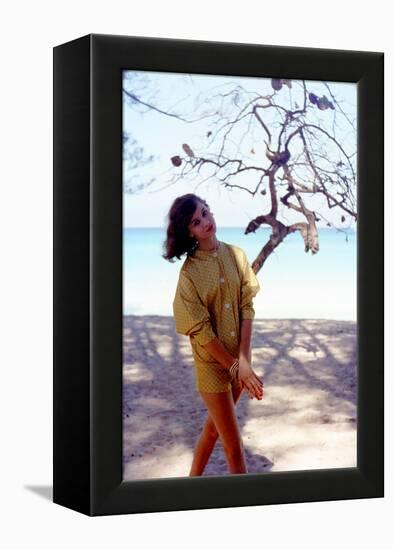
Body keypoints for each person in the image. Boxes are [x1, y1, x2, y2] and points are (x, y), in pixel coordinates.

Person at [163, 193, 263, 475]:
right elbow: (200, 331)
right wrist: (233, 366)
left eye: (205, 213)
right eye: (196, 221)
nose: (205, 221)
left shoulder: (237, 255)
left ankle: (191, 484)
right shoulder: (189, 275)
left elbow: (246, 306)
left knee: (212, 432)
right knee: (234, 448)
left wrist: (243, 361)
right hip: (212, 365)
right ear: (188, 230)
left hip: (238, 361)